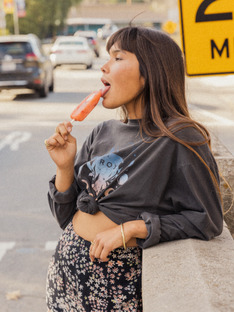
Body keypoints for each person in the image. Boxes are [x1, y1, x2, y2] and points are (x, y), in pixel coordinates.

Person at [44, 26, 223, 312]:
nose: (103, 66)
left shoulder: (179, 139)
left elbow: (207, 220)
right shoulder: (102, 132)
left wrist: (133, 229)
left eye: (117, 58)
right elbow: (66, 218)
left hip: (116, 292)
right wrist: (65, 167)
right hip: (65, 282)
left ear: (149, 72)